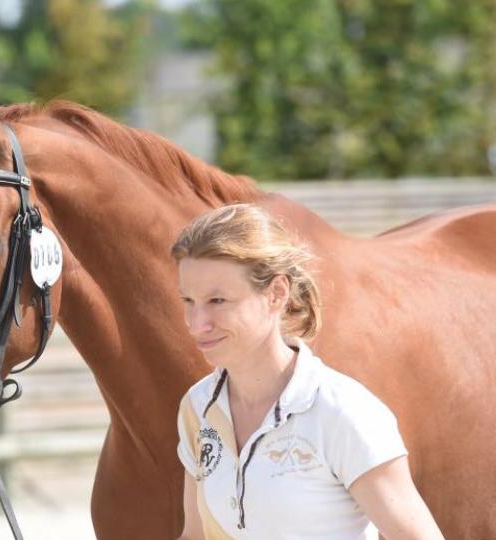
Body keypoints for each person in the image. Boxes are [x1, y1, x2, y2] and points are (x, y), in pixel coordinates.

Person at [173, 204, 443, 540]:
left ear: (276, 293)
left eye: (217, 301)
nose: (197, 324)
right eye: (188, 301)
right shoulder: (197, 408)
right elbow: (195, 535)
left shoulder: (343, 412)